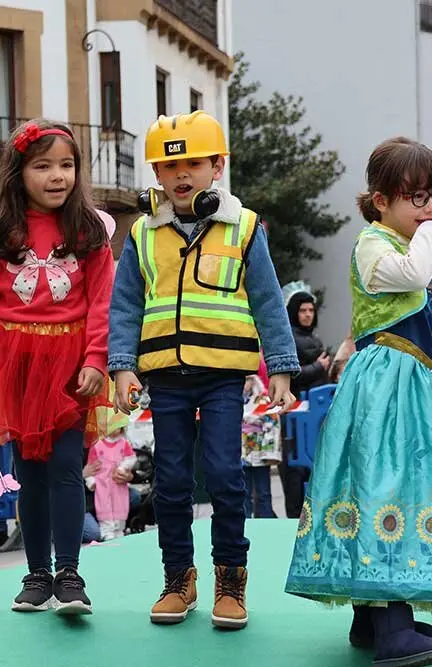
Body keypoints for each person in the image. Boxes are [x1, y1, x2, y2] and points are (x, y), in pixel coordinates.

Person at [109, 111, 298, 630]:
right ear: (156, 174)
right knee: (168, 482)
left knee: (223, 475)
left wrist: (281, 367)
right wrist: (123, 367)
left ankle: (231, 582)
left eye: (194, 162)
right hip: (164, 377)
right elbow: (125, 304)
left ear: (218, 166)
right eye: (170, 167)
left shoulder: (244, 226)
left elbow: (267, 298)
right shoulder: (143, 234)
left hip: (221, 377)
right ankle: (178, 579)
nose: (182, 175)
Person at [285, 137, 432, 666]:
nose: (430, 210)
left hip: (413, 382)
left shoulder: (413, 248)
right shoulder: (374, 244)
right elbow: (412, 276)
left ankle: (374, 615)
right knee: (385, 487)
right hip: (383, 387)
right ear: (381, 200)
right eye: (417, 199)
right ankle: (391, 624)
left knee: (402, 485)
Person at [0, 119, 113, 615]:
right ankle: (37, 575)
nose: (57, 176)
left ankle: (69, 574)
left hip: (71, 366)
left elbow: (101, 303)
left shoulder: (87, 230)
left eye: (66, 165)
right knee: (31, 471)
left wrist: (96, 359)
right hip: (19, 366)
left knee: (66, 466)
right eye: (43, 166)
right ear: (19, 173)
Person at [280, 282, 329, 518]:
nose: (308, 315)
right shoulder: (289, 338)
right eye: (303, 310)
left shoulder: (314, 339)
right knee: (296, 468)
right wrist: (318, 367)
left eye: (311, 310)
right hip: (297, 416)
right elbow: (292, 374)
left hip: (315, 417)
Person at [86, 412, 136, 541]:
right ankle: (106, 530)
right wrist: (91, 481)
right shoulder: (97, 446)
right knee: (104, 507)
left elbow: (131, 458)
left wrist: (125, 471)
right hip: (102, 485)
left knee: (121, 505)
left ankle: (119, 529)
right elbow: (90, 465)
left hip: (117, 485)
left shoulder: (124, 443)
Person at [241, 373, 281, 519]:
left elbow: (272, 424)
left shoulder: (263, 400)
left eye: (247, 381)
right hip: (241, 453)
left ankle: (267, 519)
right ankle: (244, 521)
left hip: (260, 453)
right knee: (243, 492)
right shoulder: (234, 401)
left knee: (263, 492)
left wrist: (269, 452)